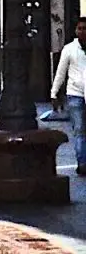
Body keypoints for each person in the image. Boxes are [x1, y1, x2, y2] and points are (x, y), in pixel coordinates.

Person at [51, 17, 86, 174]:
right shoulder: (69, 49)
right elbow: (61, 73)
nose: (82, 31)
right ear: (75, 31)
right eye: (80, 28)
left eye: (85, 28)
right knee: (79, 130)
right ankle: (82, 162)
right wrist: (54, 92)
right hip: (75, 94)